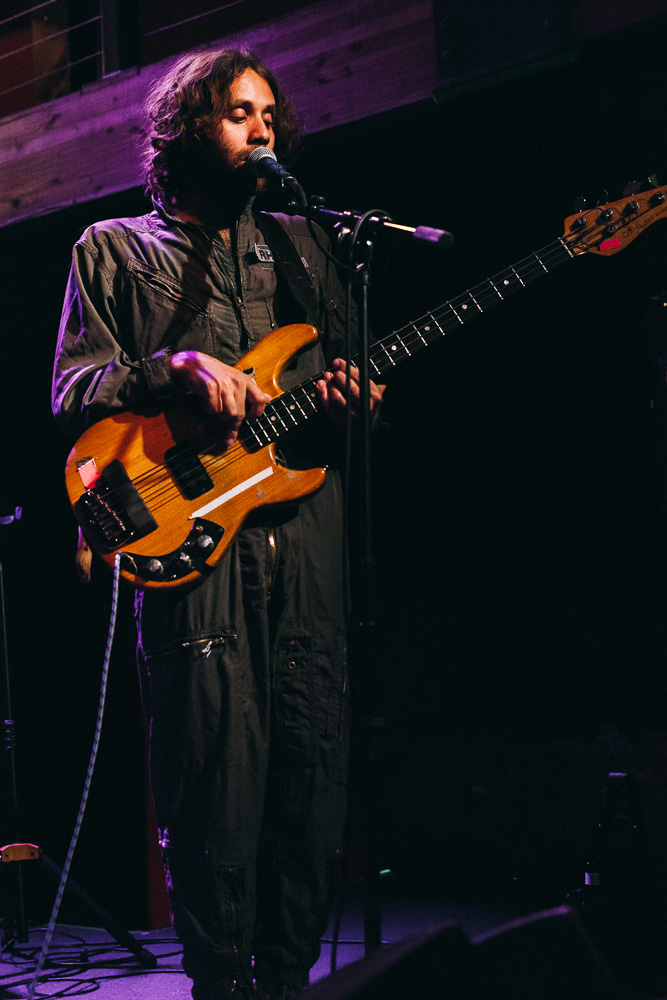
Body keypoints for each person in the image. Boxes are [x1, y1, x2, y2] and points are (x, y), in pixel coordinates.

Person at [52, 47, 384, 1000]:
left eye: (269, 112)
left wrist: (359, 396)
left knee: (311, 777)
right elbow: (73, 384)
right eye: (240, 111)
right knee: (212, 788)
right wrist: (175, 369)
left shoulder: (305, 244)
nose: (263, 125)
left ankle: (285, 983)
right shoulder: (112, 248)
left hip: (306, 537)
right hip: (190, 542)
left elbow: (336, 388)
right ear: (186, 126)